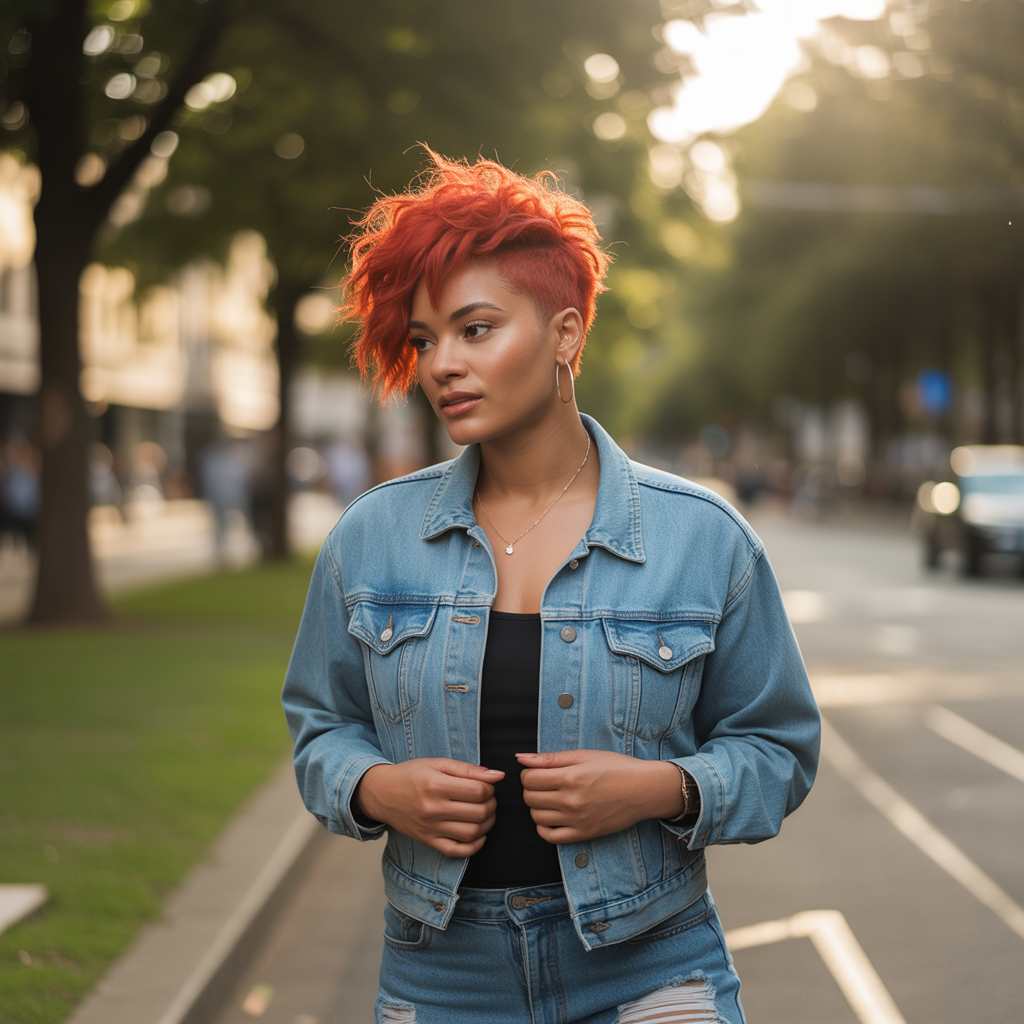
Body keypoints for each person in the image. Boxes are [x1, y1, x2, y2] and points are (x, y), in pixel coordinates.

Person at [282, 150, 820, 1024]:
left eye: (476, 329)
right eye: (424, 340)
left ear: (566, 334)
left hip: (650, 960)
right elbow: (321, 729)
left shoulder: (701, 537)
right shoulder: (371, 537)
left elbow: (779, 750)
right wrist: (378, 788)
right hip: (443, 975)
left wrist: (662, 788)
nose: (442, 364)